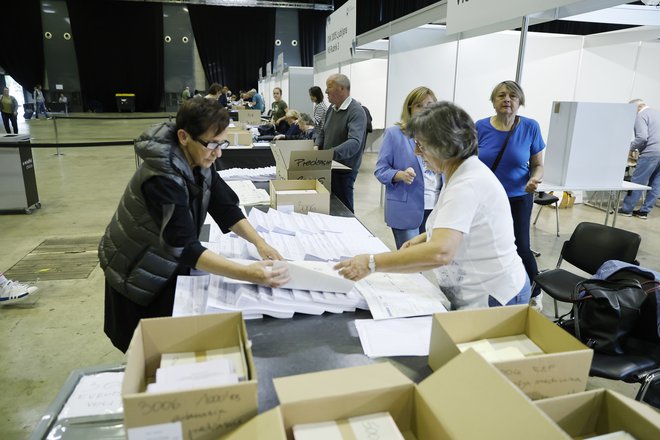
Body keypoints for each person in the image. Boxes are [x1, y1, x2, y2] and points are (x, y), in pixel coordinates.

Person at [98, 97, 289, 352]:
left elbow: (225, 207)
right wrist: (249, 273)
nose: (218, 153)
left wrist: (260, 243)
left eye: (222, 143)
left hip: (164, 263)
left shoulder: (199, 159)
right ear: (183, 136)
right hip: (138, 273)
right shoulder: (161, 178)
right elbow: (183, 246)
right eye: (212, 144)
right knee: (149, 354)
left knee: (171, 347)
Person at [334, 101, 530, 310]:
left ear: (445, 145)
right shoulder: (457, 173)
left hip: (495, 295)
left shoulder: (467, 183)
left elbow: (441, 252)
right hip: (475, 292)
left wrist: (371, 263)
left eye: (421, 145)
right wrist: (424, 238)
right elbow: (456, 227)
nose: (418, 152)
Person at [475, 80, 545, 310]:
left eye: (513, 96)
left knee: (521, 246)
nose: (507, 99)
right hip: (487, 199)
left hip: (518, 197)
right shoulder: (480, 127)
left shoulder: (530, 127)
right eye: (501, 95)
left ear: (520, 101)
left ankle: (535, 290)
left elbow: (537, 164)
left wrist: (535, 178)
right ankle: (496, 286)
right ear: (493, 102)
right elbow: (471, 162)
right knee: (489, 245)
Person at [375, 86, 442, 249]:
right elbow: (380, 170)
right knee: (410, 262)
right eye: (420, 105)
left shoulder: (441, 135)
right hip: (406, 209)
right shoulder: (395, 134)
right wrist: (400, 175)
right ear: (410, 109)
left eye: (430, 105)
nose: (425, 109)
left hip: (437, 208)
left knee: (426, 259)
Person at [315, 74, 367, 213]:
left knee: (345, 209)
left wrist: (329, 154)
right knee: (330, 206)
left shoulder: (356, 111)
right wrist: (316, 146)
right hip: (328, 166)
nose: (326, 91)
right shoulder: (331, 109)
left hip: (344, 170)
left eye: (329, 87)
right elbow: (323, 132)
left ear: (342, 88)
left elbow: (354, 142)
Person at [618, 99, 660, 219]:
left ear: (635, 108)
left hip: (650, 153)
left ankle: (626, 209)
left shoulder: (641, 115)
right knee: (656, 184)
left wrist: (629, 148)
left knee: (637, 182)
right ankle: (644, 212)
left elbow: (642, 137)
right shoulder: (656, 113)